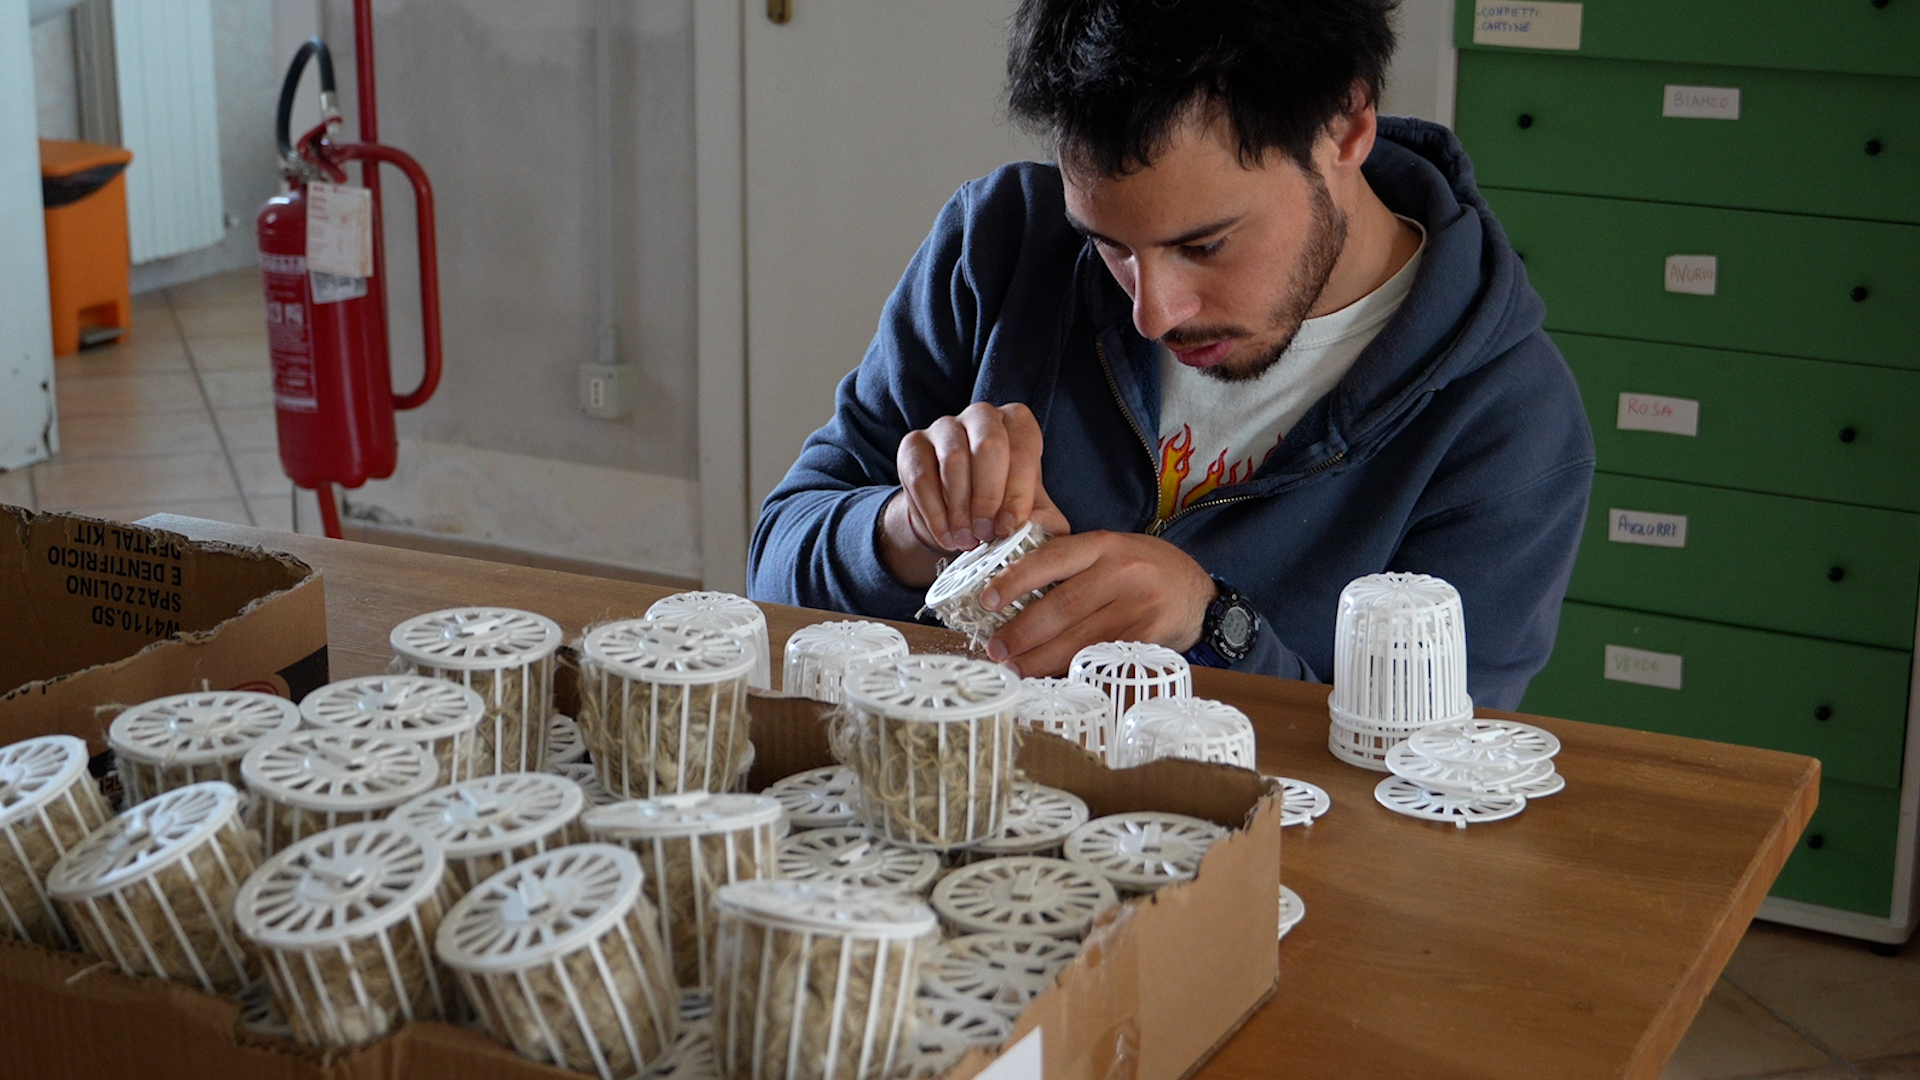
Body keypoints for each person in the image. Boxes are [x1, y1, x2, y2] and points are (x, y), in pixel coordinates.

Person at [747, 0, 1594, 709]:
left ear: (1346, 128)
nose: (1153, 313)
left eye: (1205, 245)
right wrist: (909, 532)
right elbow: (773, 569)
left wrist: (1212, 624)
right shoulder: (1000, 246)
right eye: (1109, 245)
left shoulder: (1506, 425)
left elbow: (1425, 779)